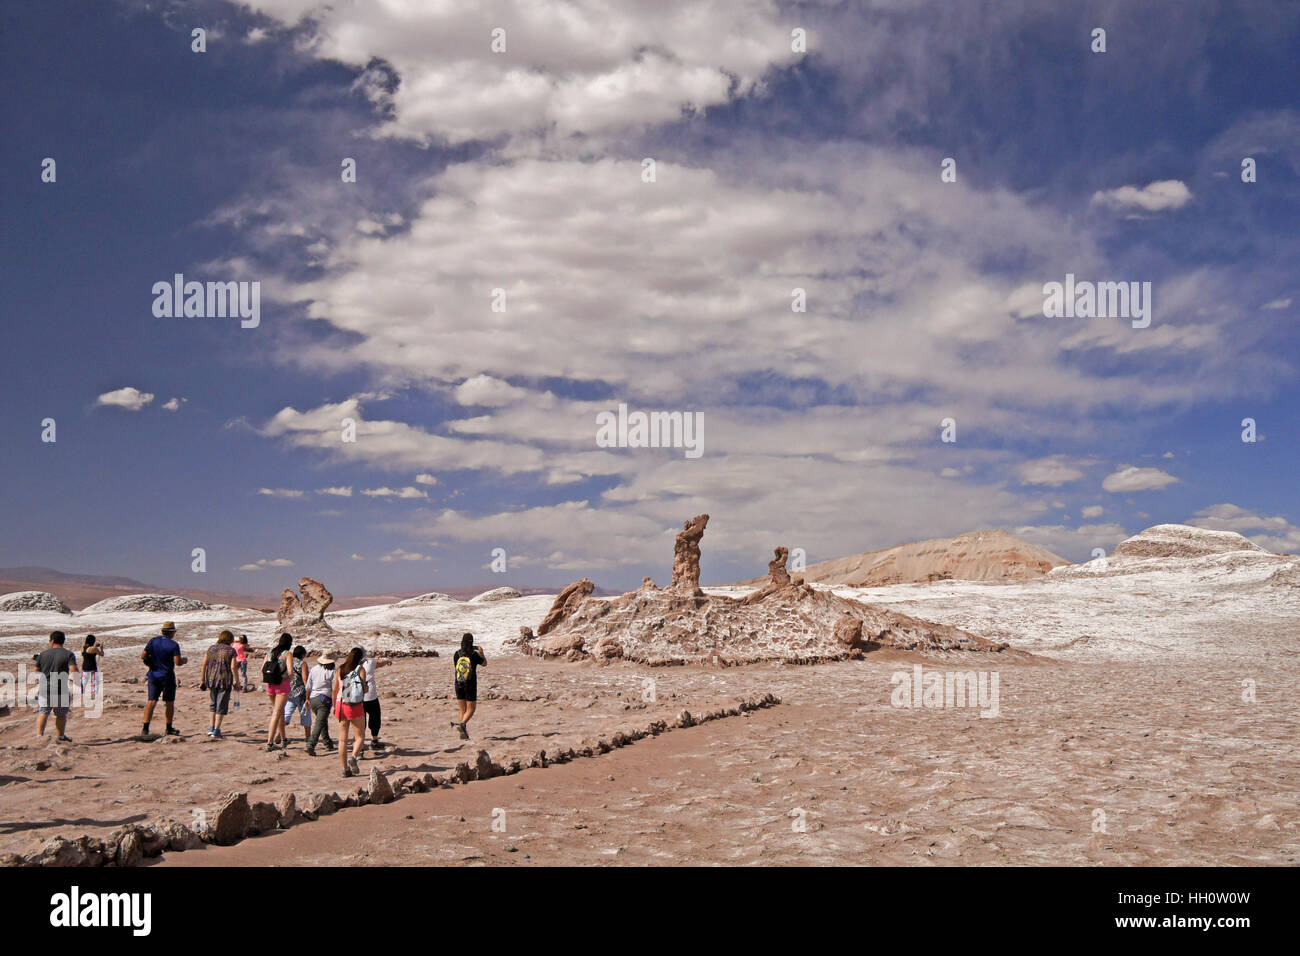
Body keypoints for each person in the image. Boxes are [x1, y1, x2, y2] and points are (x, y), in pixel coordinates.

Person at [141, 622, 187, 738]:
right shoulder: (173, 645)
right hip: (167, 676)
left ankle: (145, 729)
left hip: (153, 674)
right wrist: (184, 660)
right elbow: (177, 662)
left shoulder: (153, 641)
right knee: (169, 702)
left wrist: (150, 662)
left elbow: (143, 655)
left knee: (151, 701)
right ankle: (169, 727)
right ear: (172, 632)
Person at [36, 631, 79, 742]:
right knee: (61, 715)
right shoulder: (68, 654)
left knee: (43, 712)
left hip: (45, 689)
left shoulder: (43, 654)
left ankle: (39, 737)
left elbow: (36, 670)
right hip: (61, 689)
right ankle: (60, 737)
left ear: (52, 641)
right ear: (63, 641)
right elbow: (73, 669)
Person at [332, 646, 368, 777]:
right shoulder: (360, 669)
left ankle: (344, 769)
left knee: (342, 740)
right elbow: (363, 689)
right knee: (360, 737)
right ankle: (353, 757)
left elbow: (335, 689)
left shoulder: (340, 669)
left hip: (340, 704)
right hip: (354, 705)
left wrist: (334, 706)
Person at [199, 630, 238, 738]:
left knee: (213, 704)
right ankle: (216, 730)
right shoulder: (231, 650)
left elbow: (204, 665)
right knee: (221, 705)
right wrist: (237, 682)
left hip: (211, 679)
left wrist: (202, 680)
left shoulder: (211, 648)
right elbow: (233, 667)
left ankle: (211, 728)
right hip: (224, 680)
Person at [450, 633, 486, 740]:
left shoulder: (457, 654)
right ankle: (462, 725)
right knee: (471, 709)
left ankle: (462, 734)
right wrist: (482, 653)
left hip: (458, 683)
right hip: (470, 684)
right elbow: (485, 664)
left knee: (462, 709)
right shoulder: (474, 654)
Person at [263, 632, 294, 752]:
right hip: (282, 685)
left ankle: (284, 738)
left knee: (279, 712)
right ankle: (270, 743)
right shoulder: (287, 654)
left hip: (270, 684)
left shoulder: (270, 652)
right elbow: (290, 672)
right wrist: (285, 677)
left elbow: (262, 668)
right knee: (276, 713)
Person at [304, 650, 338, 756]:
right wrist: (335, 704)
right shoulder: (333, 671)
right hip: (324, 700)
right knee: (319, 723)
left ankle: (328, 743)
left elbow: (308, 687)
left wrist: (307, 699)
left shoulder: (314, 669)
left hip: (313, 699)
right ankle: (311, 744)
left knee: (322, 721)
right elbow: (334, 689)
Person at [360, 648, 393, 752]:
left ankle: (360, 747)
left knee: (360, 722)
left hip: (356, 698)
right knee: (375, 718)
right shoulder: (369, 663)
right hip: (370, 696)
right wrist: (387, 661)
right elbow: (380, 663)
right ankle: (374, 741)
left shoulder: (350, 665)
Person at [282, 645, 313, 744]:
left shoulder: (289, 662)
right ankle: (308, 738)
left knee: (286, 715)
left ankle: (279, 736)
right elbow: (305, 679)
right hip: (301, 694)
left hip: (289, 692)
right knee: (305, 716)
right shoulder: (302, 663)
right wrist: (309, 690)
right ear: (303, 654)